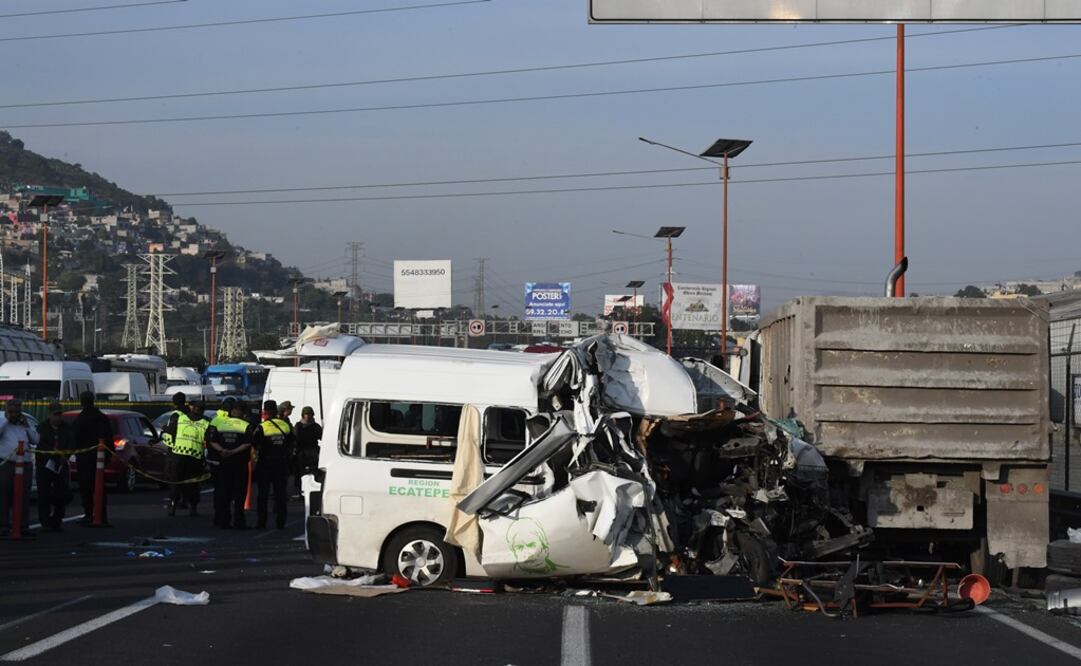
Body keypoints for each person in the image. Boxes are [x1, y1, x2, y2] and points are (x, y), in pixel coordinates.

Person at [206, 399, 254, 529]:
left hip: (223, 462)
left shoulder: (221, 424)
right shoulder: (246, 425)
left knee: (224, 492)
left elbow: (211, 441)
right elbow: (248, 443)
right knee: (239, 494)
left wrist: (222, 450)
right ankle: (239, 521)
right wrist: (233, 451)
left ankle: (224, 521)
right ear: (243, 413)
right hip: (239, 463)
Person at [73, 391, 114, 525]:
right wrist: (108, 456)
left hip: (85, 459)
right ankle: (101, 515)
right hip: (99, 458)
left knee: (86, 488)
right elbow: (109, 438)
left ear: (81, 401)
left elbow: (75, 439)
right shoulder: (101, 418)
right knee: (100, 487)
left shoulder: (80, 419)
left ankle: (89, 514)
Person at [252, 400, 293, 529]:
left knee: (263, 495)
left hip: (265, 464)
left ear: (265, 412)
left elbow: (254, 446)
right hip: (281, 463)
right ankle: (281, 522)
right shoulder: (285, 425)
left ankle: (261, 522)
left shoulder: (262, 427)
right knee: (280, 495)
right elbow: (292, 443)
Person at [0, 399, 38, 536]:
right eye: (11, 412)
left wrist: (27, 426)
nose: (14, 414)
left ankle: (23, 525)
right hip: (7, 463)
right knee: (4, 495)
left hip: (25, 464)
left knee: (23, 496)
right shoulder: (2, 422)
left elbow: (36, 440)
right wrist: (7, 421)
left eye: (17, 412)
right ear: (7, 411)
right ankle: (3, 525)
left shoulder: (24, 423)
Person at [164, 400, 208, 517]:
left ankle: (173, 505)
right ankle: (192, 507)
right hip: (195, 457)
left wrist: (172, 450)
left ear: (192, 408)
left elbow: (168, 434)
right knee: (193, 484)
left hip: (178, 455)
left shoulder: (180, 419)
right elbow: (208, 442)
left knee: (175, 482)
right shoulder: (206, 422)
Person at [35, 402, 74, 532]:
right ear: (50, 414)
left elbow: (71, 444)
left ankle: (57, 520)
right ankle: (45, 521)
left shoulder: (66, 428)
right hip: (45, 464)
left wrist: (65, 456)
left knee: (61, 494)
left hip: (61, 465)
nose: (58, 418)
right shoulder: (42, 427)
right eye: (55, 415)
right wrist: (56, 455)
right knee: (44, 494)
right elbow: (41, 444)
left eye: (59, 414)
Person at [293, 406, 322, 497]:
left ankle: (314, 490)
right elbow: (295, 438)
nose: (308, 416)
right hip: (301, 451)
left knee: (314, 471)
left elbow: (321, 437)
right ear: (303, 415)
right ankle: (300, 491)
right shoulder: (298, 425)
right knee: (300, 472)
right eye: (306, 414)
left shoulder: (316, 426)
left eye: (310, 414)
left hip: (313, 451)